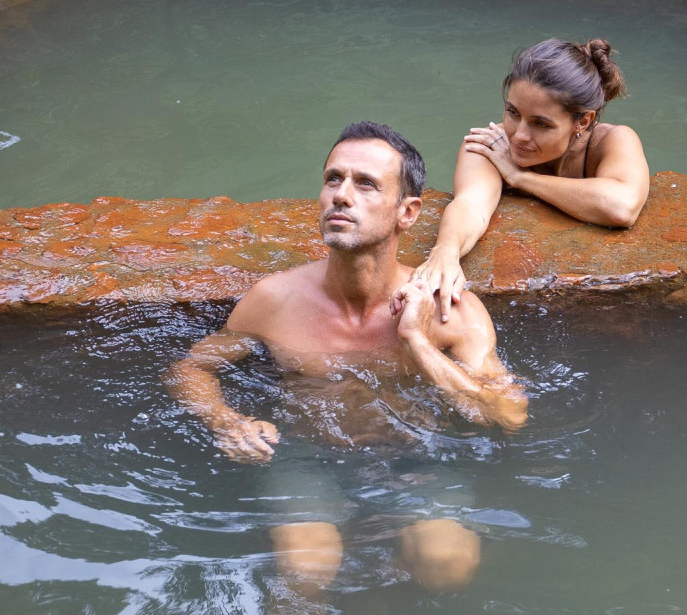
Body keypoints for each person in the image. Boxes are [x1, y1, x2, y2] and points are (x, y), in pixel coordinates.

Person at [164, 121, 528, 602]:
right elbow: (191, 368)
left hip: (417, 459)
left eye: (366, 184)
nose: (341, 195)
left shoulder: (450, 313)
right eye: (333, 179)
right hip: (309, 458)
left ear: (408, 212)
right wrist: (225, 420)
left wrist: (416, 342)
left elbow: (508, 414)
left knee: (448, 564)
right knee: (304, 572)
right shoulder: (274, 300)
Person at [413, 38, 651, 322]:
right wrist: (446, 252)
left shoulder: (612, 141)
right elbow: (471, 204)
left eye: (541, 124)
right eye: (513, 113)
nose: (519, 135)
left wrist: (519, 177)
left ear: (583, 122)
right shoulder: (489, 144)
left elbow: (621, 206)